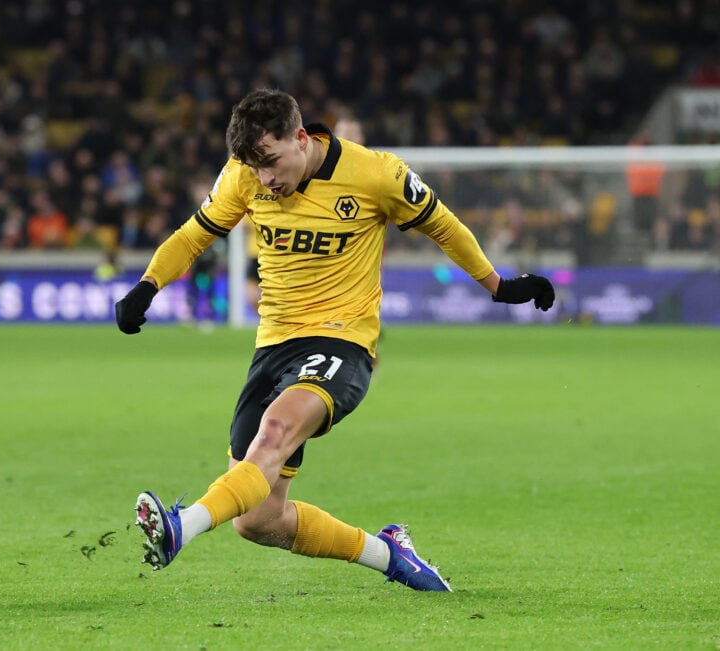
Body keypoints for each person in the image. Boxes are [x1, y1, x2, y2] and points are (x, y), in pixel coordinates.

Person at [114, 89, 555, 591]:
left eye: (273, 163)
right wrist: (147, 285)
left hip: (342, 342)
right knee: (257, 521)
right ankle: (388, 554)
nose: (266, 179)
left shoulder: (375, 174)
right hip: (273, 347)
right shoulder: (244, 175)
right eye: (256, 169)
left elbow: (442, 225)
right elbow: (194, 236)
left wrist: (498, 286)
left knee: (275, 431)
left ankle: (181, 526)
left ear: (301, 138)